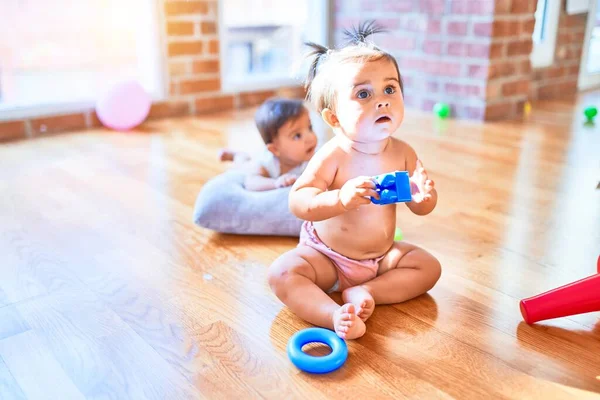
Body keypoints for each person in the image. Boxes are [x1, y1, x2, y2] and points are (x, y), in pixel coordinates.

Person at [267, 21, 442, 339]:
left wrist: (423, 196)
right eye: (364, 93)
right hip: (326, 258)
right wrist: (341, 199)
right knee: (282, 273)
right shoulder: (333, 155)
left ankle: (367, 292)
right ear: (334, 118)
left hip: (380, 257)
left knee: (429, 267)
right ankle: (333, 314)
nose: (383, 100)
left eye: (390, 89)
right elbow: (299, 200)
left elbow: (423, 208)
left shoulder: (403, 152)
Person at [218, 97, 318, 191]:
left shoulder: (312, 157)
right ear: (275, 149)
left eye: (310, 127)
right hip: (254, 162)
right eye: (297, 136)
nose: (310, 137)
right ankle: (236, 155)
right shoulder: (267, 163)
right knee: (244, 164)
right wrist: (275, 183)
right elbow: (251, 182)